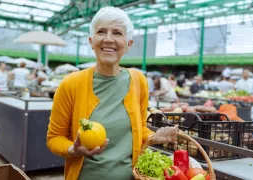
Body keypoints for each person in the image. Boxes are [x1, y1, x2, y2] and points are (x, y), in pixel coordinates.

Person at [46, 6, 177, 180]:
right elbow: (54, 138)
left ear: (128, 44)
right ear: (91, 41)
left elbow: (140, 129)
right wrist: (73, 150)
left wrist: (154, 137)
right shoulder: (71, 84)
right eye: (101, 32)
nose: (108, 39)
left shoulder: (138, 81)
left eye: (117, 33)